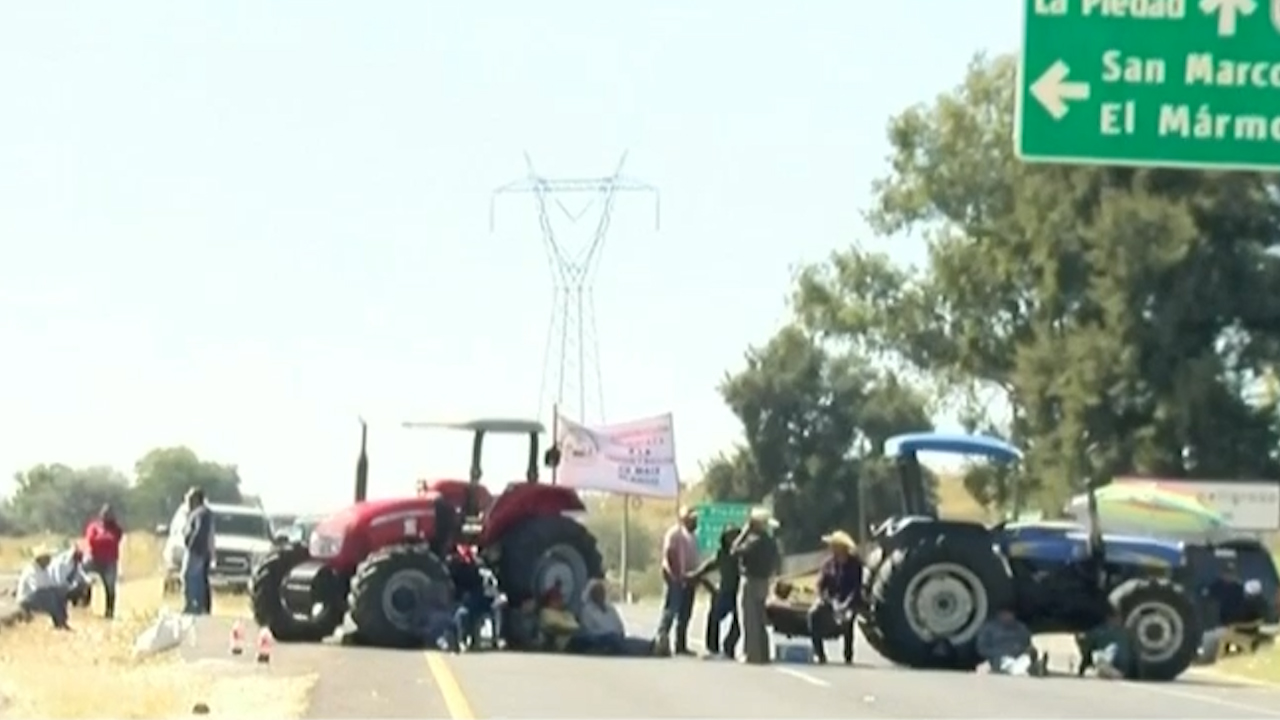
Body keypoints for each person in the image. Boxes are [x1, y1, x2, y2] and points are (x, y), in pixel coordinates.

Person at [732, 506, 781, 665]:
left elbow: (734, 551)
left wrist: (744, 533)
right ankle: (763, 653)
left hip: (751, 580)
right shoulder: (770, 541)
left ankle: (752, 654)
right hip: (764, 581)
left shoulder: (753, 541)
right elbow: (776, 562)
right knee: (760, 618)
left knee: (749, 619)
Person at [809, 530, 862, 665]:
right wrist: (822, 598)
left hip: (849, 600)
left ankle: (848, 654)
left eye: (834, 546)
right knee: (813, 614)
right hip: (831, 600)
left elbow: (856, 588)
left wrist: (845, 604)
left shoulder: (855, 564)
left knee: (848, 618)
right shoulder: (828, 564)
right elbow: (821, 584)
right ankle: (819, 653)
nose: (831, 548)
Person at [689, 524, 742, 660]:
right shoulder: (721, 554)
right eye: (730, 535)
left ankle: (729, 646)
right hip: (725, 592)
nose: (733, 538)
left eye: (736, 535)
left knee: (738, 623)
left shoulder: (742, 552)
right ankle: (712, 648)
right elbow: (707, 567)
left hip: (739, 592)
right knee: (713, 618)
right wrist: (708, 586)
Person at [654, 506, 698, 656]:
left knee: (685, 614)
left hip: (689, 580)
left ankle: (681, 645)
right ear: (684, 519)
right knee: (671, 610)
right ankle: (661, 642)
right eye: (692, 519)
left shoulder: (692, 536)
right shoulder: (675, 533)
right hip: (676, 579)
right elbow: (669, 554)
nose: (695, 522)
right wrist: (676, 576)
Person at [82, 504, 123, 619]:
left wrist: (102, 540)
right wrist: (106, 540)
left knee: (110, 586)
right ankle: (83, 605)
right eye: (105, 513)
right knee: (83, 577)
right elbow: (91, 540)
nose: (107, 515)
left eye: (110, 513)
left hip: (110, 562)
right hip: (94, 559)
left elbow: (115, 539)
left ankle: (109, 612)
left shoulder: (116, 529)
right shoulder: (94, 526)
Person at [976, 607, 1044, 675]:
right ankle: (1020, 669)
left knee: (1028, 656)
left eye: (1010, 614)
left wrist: (1020, 650)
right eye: (1005, 614)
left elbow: (1028, 643)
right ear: (999, 614)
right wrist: (1000, 653)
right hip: (999, 658)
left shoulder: (1021, 628)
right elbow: (982, 649)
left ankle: (1031, 667)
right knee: (1005, 662)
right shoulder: (989, 629)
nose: (1008, 616)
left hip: (1019, 656)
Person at [17, 545, 71, 630]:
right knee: (50, 596)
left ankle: (61, 620)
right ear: (40, 559)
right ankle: (60, 621)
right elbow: (37, 587)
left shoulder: (44, 569)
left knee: (59, 593)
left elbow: (50, 583)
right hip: (26, 599)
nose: (49, 560)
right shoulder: (32, 570)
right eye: (47, 558)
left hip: (38, 595)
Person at [181, 488, 214, 615]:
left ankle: (193, 606)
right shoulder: (201, 513)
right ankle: (197, 606)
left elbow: (200, 532)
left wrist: (191, 544)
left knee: (190, 577)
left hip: (196, 551)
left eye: (189, 498)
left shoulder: (201, 513)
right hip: (200, 550)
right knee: (197, 578)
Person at [1079, 609, 1133, 679]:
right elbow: (1088, 647)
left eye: (1119, 619)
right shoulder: (1100, 631)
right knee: (1110, 650)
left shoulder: (1125, 633)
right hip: (1104, 659)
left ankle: (1112, 672)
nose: (1117, 621)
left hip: (1121, 664)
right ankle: (1105, 670)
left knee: (1114, 649)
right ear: (1108, 619)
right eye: (1114, 618)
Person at [579, 579, 627, 655]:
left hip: (617, 639)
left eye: (602, 591)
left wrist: (619, 633)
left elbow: (620, 625)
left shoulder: (610, 609)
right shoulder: (587, 611)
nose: (600, 594)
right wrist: (608, 634)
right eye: (597, 592)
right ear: (592, 594)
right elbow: (588, 631)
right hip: (599, 641)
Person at [538, 583, 583, 652]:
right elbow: (554, 625)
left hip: (574, 637)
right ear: (548, 600)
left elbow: (575, 625)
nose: (558, 601)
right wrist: (567, 627)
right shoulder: (545, 612)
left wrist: (571, 628)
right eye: (554, 599)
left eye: (559, 599)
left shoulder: (567, 613)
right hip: (559, 641)